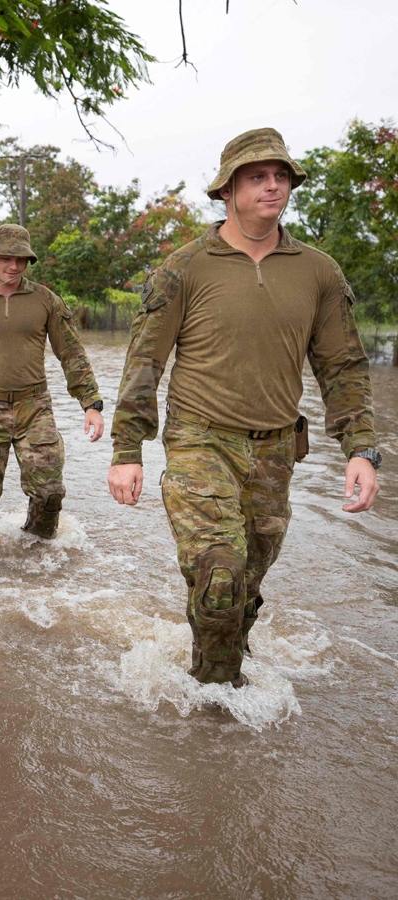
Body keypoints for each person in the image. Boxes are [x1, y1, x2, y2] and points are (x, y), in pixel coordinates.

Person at [107, 127, 379, 688]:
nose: (272, 186)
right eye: (257, 177)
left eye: (281, 176)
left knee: (247, 582)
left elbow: (343, 367)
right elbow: (144, 364)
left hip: (277, 448)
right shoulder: (185, 268)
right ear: (226, 190)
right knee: (220, 576)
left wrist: (361, 450)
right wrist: (126, 449)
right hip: (199, 439)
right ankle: (217, 700)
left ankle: (227, 651)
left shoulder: (318, 271)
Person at [0, 224, 104, 555]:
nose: (13, 266)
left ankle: (35, 554)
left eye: (21, 259)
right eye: (5, 258)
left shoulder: (45, 300)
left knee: (50, 492)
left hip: (34, 407)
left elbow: (71, 353)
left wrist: (91, 403)